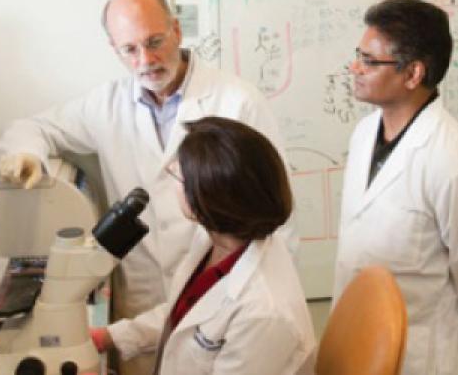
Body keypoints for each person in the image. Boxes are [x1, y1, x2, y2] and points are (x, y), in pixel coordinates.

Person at [0, 0, 295, 374]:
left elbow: (277, 219)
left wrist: (258, 295)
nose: (146, 60)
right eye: (130, 49)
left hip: (228, 293)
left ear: (176, 30)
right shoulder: (106, 105)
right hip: (145, 299)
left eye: (155, 42)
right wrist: (27, 155)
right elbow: (32, 128)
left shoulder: (237, 101)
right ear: (114, 49)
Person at [334, 0, 458, 374]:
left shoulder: (456, 163)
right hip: (355, 338)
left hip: (418, 354)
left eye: (369, 60)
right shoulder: (365, 132)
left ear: (413, 74)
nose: (355, 67)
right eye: (358, 55)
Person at [92, 117, 315, 375]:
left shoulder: (264, 313)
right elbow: (187, 313)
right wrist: (110, 337)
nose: (172, 173)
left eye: (179, 173)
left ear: (208, 196)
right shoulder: (220, 238)